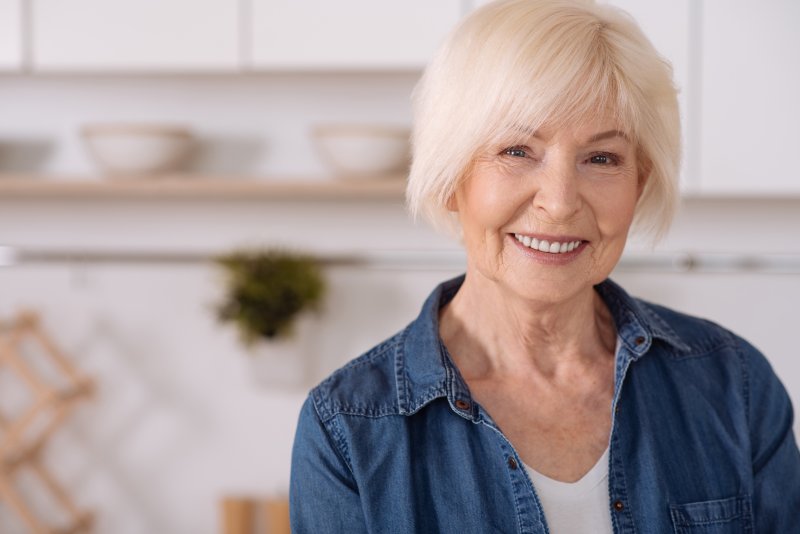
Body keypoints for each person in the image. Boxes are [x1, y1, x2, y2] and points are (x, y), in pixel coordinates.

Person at [289, 0, 800, 532]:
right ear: (450, 177)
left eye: (601, 158)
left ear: (639, 184)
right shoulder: (347, 428)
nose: (559, 202)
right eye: (516, 150)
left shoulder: (733, 385)